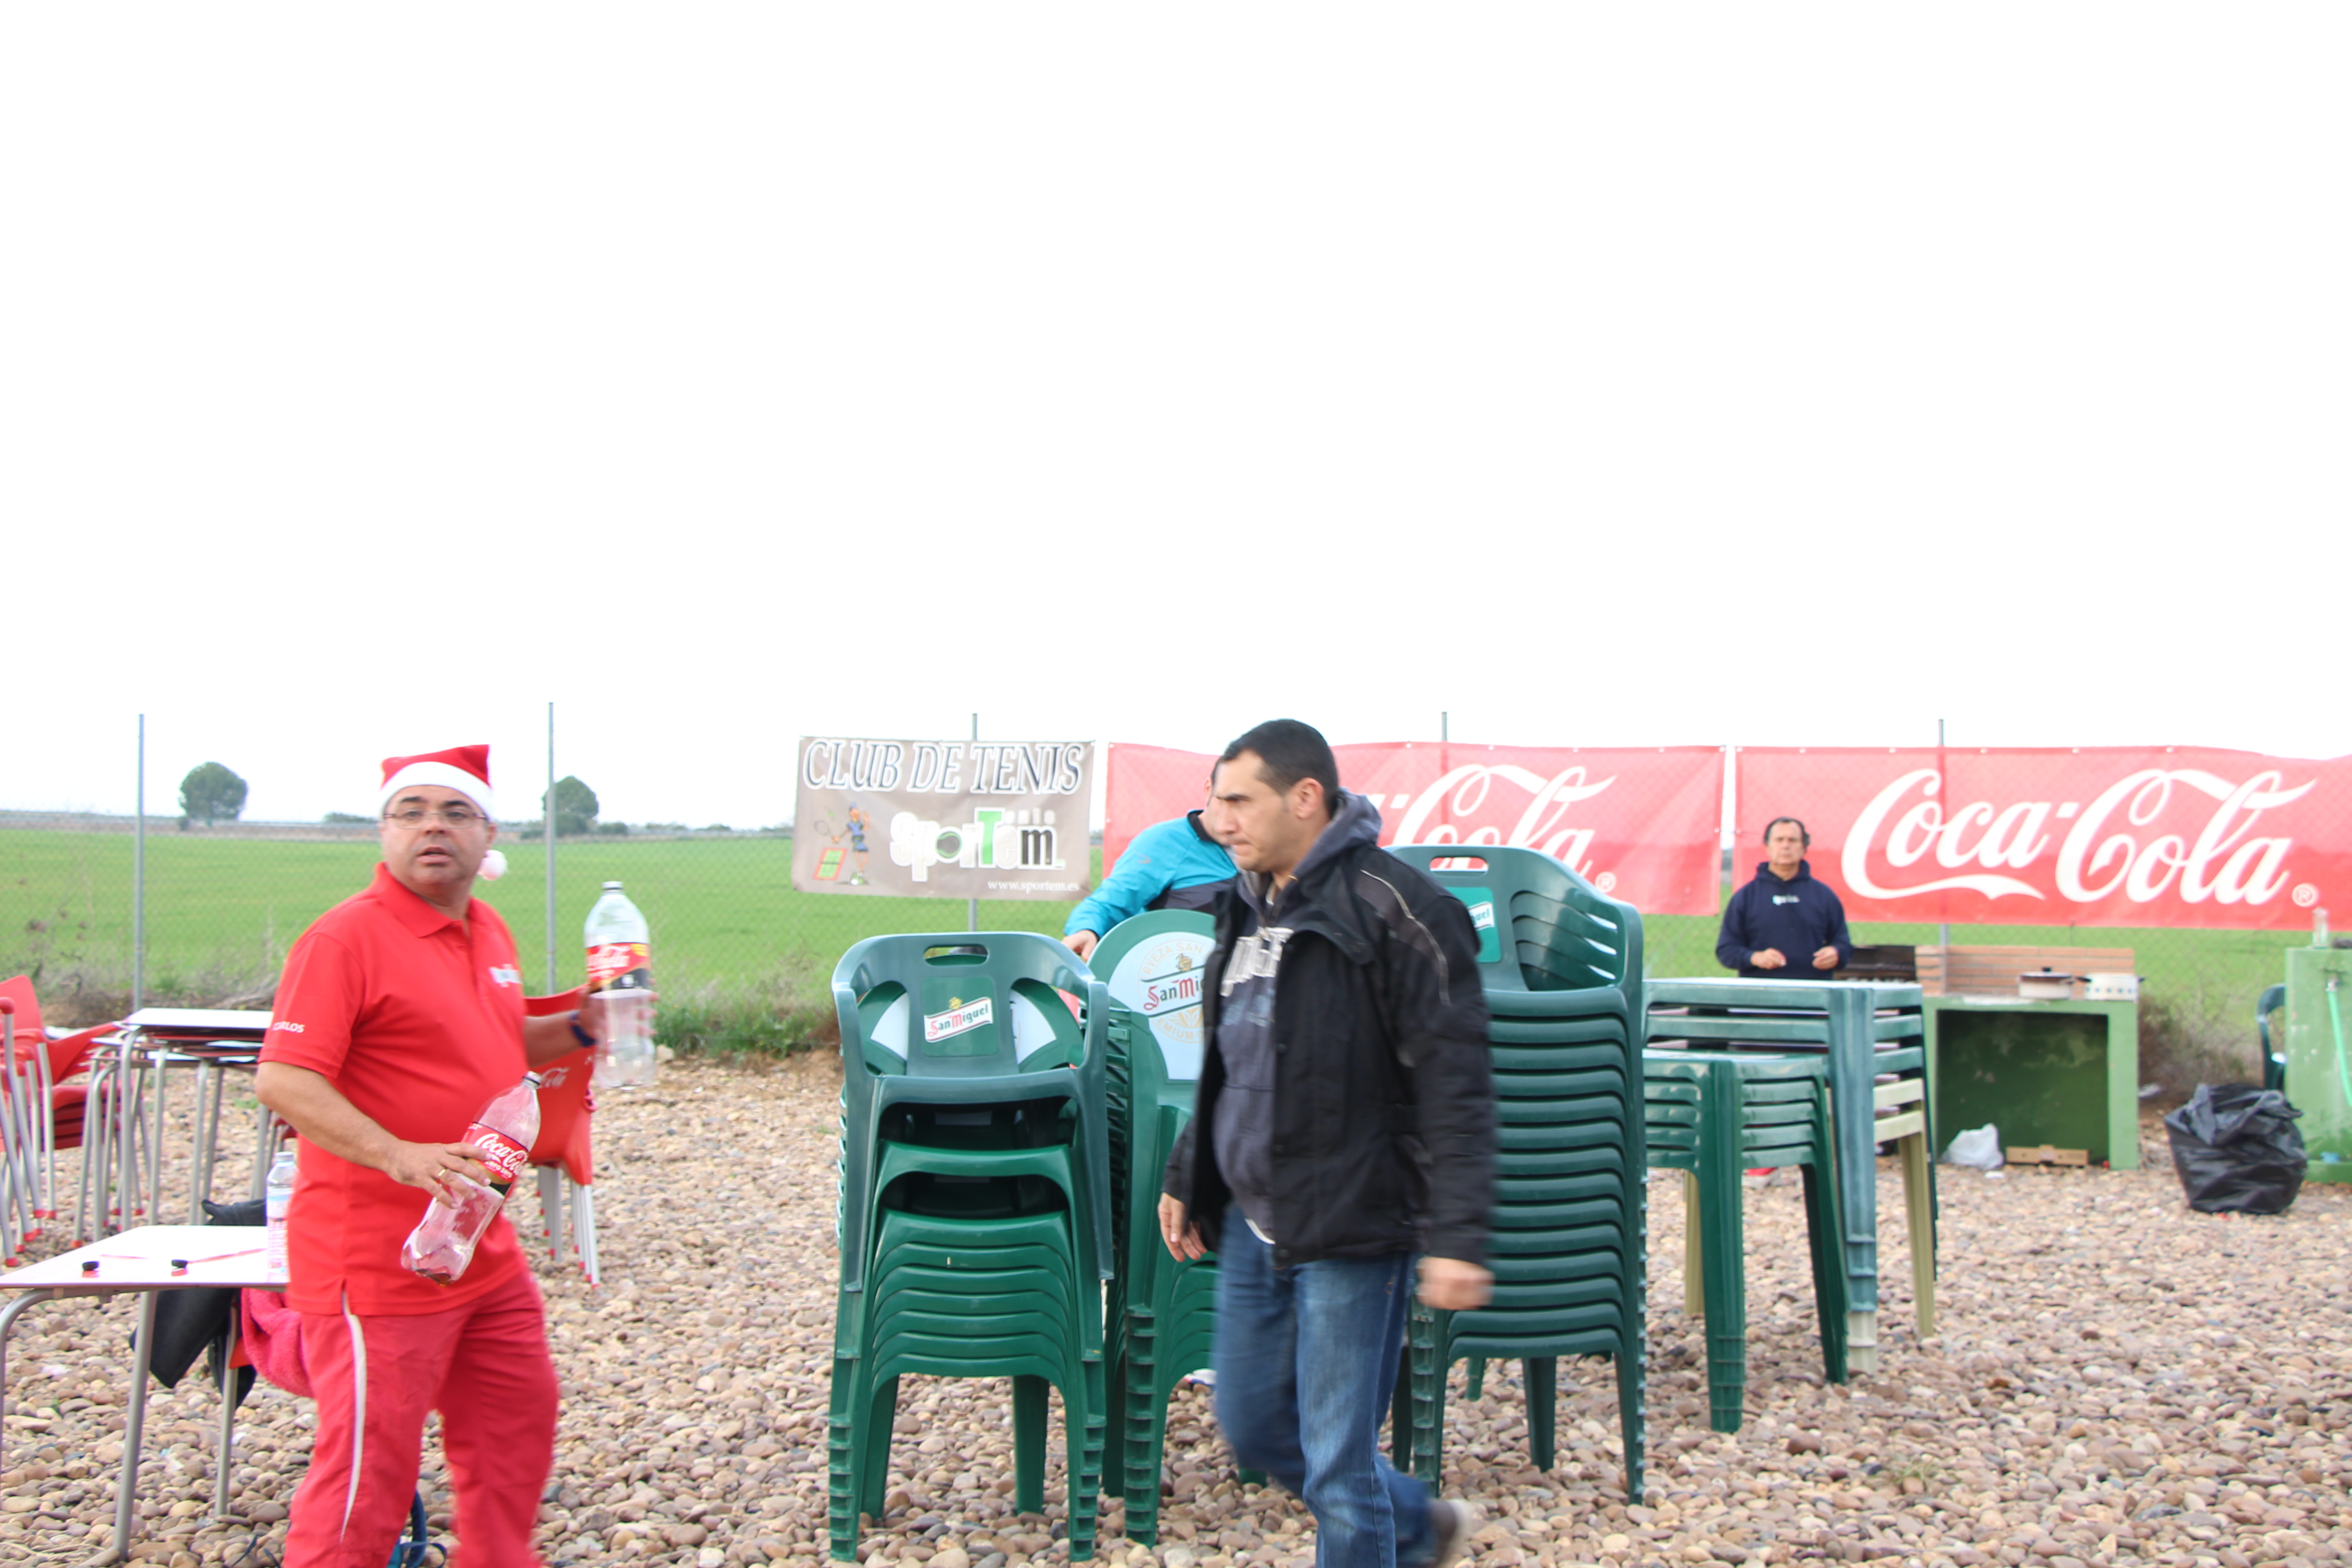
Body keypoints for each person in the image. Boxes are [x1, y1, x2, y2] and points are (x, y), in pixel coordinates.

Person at [256, 745, 617, 1568]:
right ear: (383, 831)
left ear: (489, 834)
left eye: (455, 812)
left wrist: (584, 1025)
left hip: (478, 1242)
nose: (433, 827)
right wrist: (396, 1154)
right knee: (367, 1474)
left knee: (515, 1419)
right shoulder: (345, 939)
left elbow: (498, 1038)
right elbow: (283, 1078)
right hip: (374, 1262)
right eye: (410, 811)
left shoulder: (486, 928)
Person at [1157, 719, 1495, 1568]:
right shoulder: (1242, 902)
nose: (1219, 822)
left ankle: (1392, 1532)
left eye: (1239, 802)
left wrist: (1457, 1237)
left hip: (1354, 1220)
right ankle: (1418, 1526)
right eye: (1214, 802)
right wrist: (1187, 1171)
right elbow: (1235, 1053)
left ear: (1306, 797)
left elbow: (1456, 1084)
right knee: (1253, 1423)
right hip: (1254, 1220)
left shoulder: (1404, 910)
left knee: (1337, 1466)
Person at [1062, 793, 1235, 960]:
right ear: (1209, 788)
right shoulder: (1165, 841)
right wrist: (1086, 929)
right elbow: (1111, 901)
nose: (1233, 813)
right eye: (1227, 799)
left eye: (1245, 802)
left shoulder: (1252, 851)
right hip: (1178, 972)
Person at [1716, 816, 1855, 979]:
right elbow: (1726, 950)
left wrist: (1836, 953)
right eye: (1779, 840)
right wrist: (1755, 958)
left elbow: (1844, 945)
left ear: (1804, 848)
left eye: (1793, 840)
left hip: (1813, 991)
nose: (1786, 846)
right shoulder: (1746, 897)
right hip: (1760, 992)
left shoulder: (1824, 895)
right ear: (1767, 847)